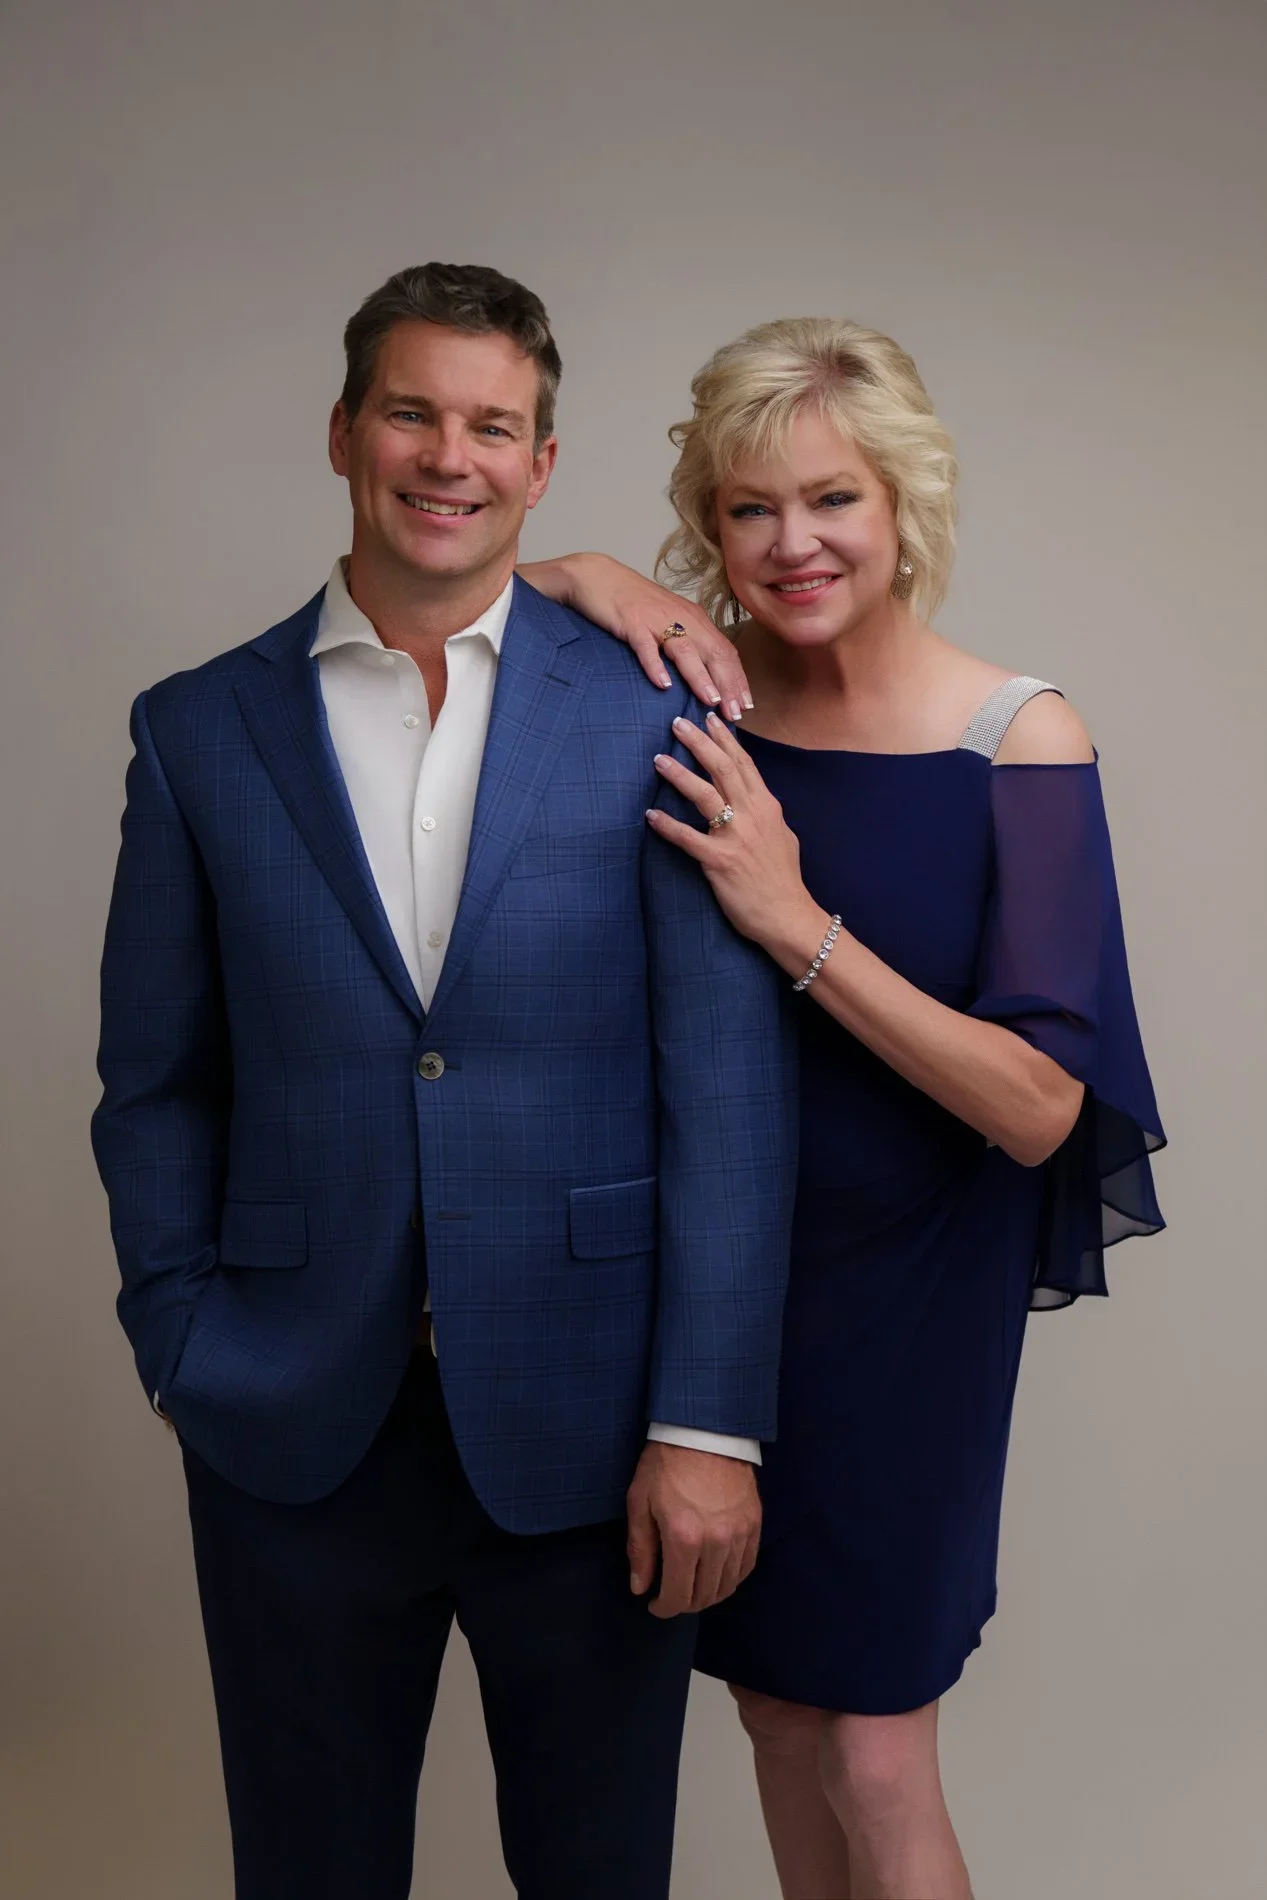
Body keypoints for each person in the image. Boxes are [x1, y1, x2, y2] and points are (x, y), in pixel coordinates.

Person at [90, 264, 799, 1900]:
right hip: (288, 1422)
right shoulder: (198, 732)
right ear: (344, 431)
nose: (448, 456)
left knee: (597, 1874)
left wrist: (707, 1425)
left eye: (493, 425)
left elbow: (728, 1094)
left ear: (543, 464)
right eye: (411, 411)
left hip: (600, 1427)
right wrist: (182, 1339)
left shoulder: (650, 712)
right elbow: (157, 1082)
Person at [520, 317, 1165, 1900]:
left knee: (876, 1744)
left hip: (911, 1296)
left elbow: (1033, 1106)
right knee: (774, 1715)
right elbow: (489, 583)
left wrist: (790, 919)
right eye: (747, 509)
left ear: (902, 509)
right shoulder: (698, 698)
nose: (791, 544)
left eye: (831, 501)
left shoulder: (1015, 738)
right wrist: (602, 571)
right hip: (720, 1292)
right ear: (707, 522)